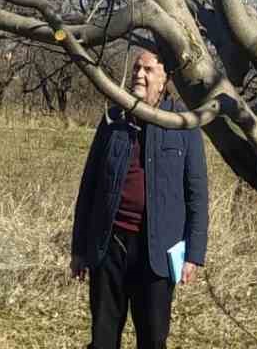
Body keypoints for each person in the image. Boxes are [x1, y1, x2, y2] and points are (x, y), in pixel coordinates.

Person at [70, 47, 208, 349]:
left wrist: (194, 255)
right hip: (109, 246)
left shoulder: (183, 124)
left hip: (157, 252)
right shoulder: (113, 119)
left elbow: (196, 194)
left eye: (148, 70)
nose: (139, 75)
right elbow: (89, 186)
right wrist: (79, 248)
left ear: (165, 78)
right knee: (103, 338)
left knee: (154, 338)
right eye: (136, 69)